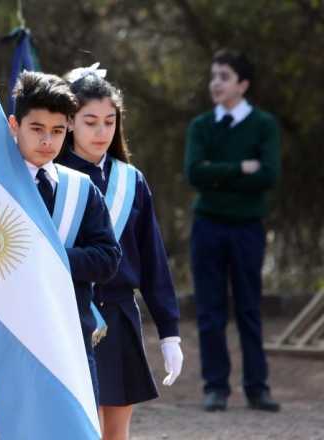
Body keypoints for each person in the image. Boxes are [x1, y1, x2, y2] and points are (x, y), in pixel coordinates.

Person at [55, 67, 183, 440]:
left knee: (116, 432)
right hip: (70, 311)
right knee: (78, 428)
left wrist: (169, 332)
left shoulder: (131, 180)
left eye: (109, 121)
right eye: (90, 121)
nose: (101, 132)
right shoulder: (51, 176)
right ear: (70, 122)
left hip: (120, 313)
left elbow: (153, 261)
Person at [6, 71, 121, 402]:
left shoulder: (80, 188)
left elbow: (108, 257)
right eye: (37, 129)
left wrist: (52, 257)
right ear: (15, 125)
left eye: (57, 131)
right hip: (18, 336)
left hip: (73, 333)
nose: (47, 141)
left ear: (68, 128)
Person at [184, 49, 281, 413]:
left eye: (224, 76)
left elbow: (269, 175)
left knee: (249, 309)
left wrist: (218, 172)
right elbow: (195, 173)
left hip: (247, 230)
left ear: (243, 84)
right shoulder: (201, 127)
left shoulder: (264, 125)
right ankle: (216, 388)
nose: (215, 83)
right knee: (209, 310)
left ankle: (257, 388)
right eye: (213, 76)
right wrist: (242, 168)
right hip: (207, 226)